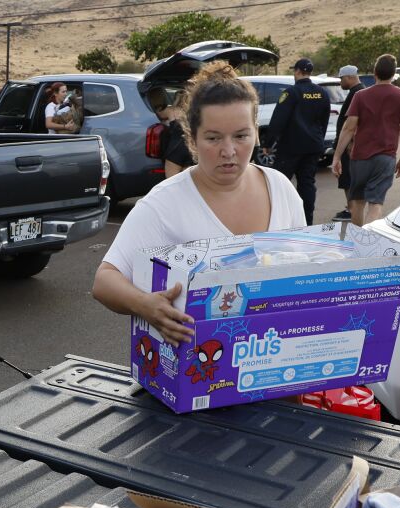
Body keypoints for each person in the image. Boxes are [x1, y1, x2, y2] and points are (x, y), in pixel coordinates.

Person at [92, 62, 305, 345]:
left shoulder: (280, 188)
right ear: (192, 139)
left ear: (255, 131)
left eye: (241, 136)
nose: (229, 151)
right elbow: (105, 280)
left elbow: (303, 267)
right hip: (198, 373)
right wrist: (145, 305)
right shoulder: (163, 204)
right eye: (213, 138)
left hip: (273, 363)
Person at [332, 54, 400, 227]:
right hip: (385, 157)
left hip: (359, 157)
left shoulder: (360, 96)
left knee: (356, 203)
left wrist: (337, 157)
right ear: (393, 74)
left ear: (375, 72)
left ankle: (358, 239)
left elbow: (349, 128)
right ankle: (367, 241)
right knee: (375, 204)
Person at [263, 58, 331, 226]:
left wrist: (267, 144)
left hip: (291, 147)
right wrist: (319, 141)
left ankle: (279, 221)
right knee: (307, 183)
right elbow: (324, 120)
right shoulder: (322, 93)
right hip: (313, 146)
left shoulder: (291, 93)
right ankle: (307, 221)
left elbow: (278, 120)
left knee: (280, 183)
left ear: (298, 71)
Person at [332, 64, 366, 221]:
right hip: (348, 143)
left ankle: (352, 211)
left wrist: (351, 142)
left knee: (348, 178)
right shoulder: (356, 92)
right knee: (347, 178)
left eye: (341, 79)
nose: (340, 82)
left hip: (350, 145)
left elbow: (356, 122)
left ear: (350, 77)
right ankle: (351, 208)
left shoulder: (357, 93)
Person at [147, 87, 194, 177]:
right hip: (191, 147)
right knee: (188, 178)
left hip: (176, 148)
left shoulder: (171, 110)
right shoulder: (194, 112)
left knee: (171, 180)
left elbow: (157, 115)